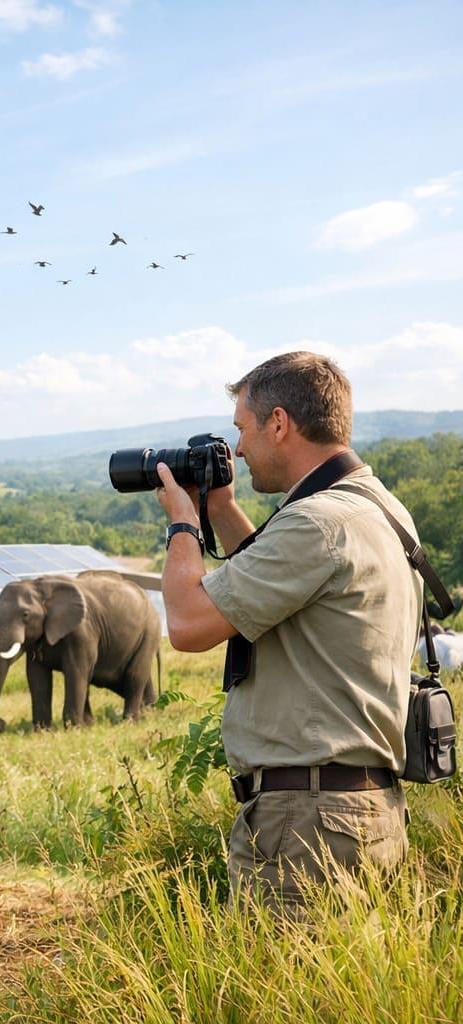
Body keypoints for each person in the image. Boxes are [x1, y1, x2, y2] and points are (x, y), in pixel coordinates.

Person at [155, 352, 418, 910]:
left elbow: (186, 623)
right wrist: (221, 509)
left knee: (272, 994)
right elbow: (272, 581)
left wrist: (182, 522)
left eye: (244, 430)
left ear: (279, 423)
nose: (240, 449)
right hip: (353, 811)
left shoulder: (315, 523)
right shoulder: (371, 506)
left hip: (309, 824)